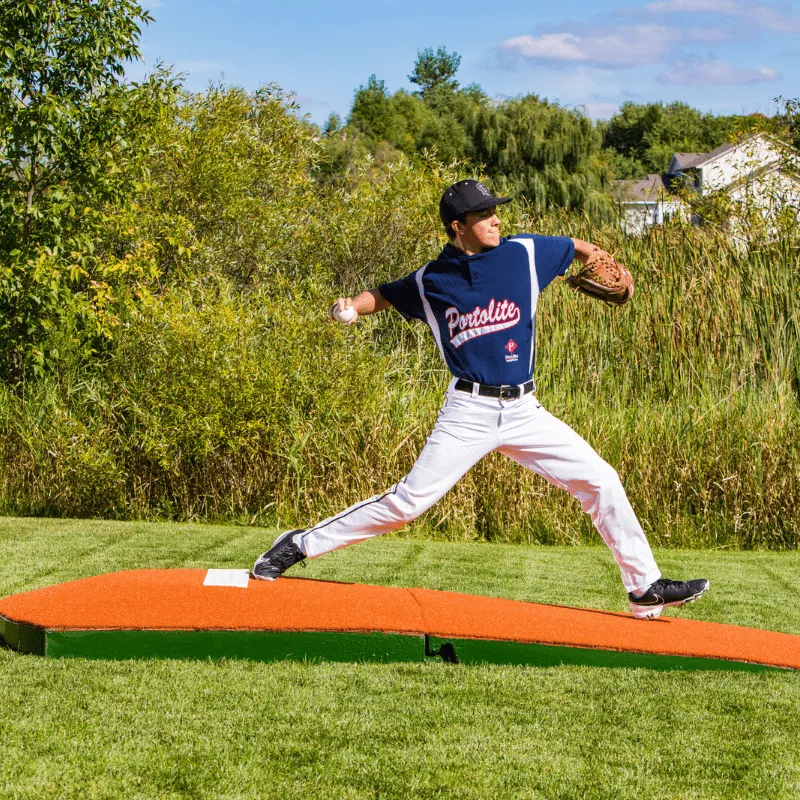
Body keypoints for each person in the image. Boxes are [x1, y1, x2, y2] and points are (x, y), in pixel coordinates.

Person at [252, 180, 709, 620]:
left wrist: (600, 256)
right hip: (467, 412)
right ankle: (298, 544)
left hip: (525, 411)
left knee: (602, 481)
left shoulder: (524, 252)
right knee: (407, 504)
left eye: (495, 211)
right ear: (457, 226)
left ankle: (645, 589)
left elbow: (575, 246)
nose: (495, 220)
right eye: (483, 214)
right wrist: (350, 306)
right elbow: (385, 295)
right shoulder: (433, 278)